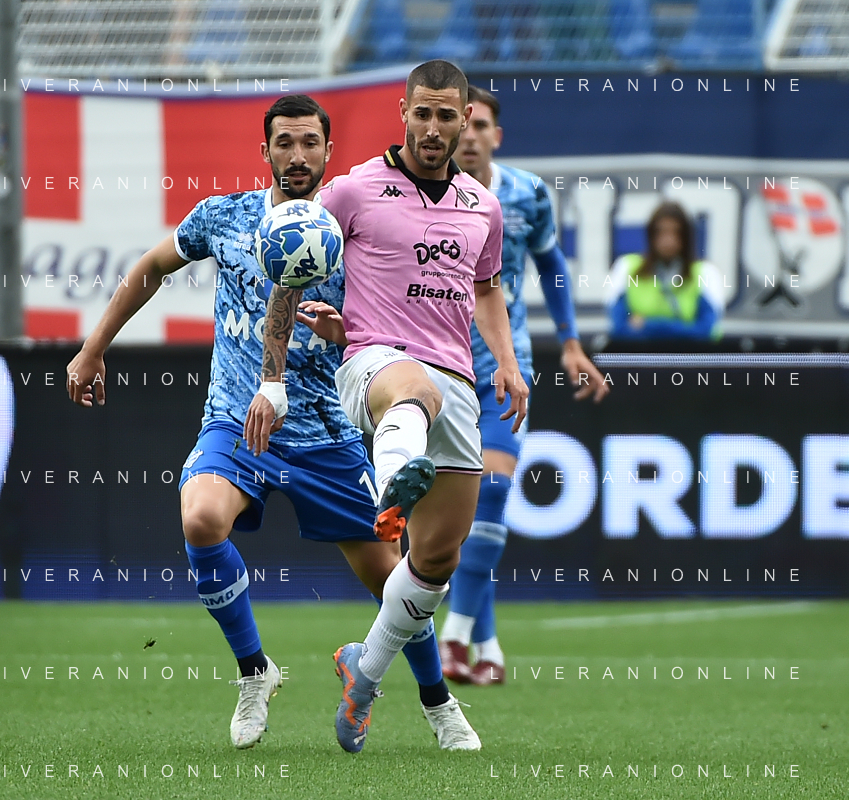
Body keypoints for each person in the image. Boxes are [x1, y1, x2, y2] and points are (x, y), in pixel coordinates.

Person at [65, 95, 459, 751]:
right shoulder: (224, 217)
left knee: (392, 578)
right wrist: (93, 348)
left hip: (325, 432)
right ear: (265, 151)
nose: (297, 156)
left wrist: (345, 333)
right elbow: (152, 267)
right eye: (285, 143)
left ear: (328, 152)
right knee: (200, 519)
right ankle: (254, 671)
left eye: (310, 143)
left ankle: (438, 702)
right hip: (236, 420)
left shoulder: (356, 233)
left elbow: (389, 332)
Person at [246, 60, 529, 753]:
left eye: (445, 115)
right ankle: (393, 479)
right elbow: (289, 274)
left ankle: (363, 673)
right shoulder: (353, 189)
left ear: (464, 120)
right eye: (421, 113)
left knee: (436, 560)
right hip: (373, 364)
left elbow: (487, 289)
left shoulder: (482, 207)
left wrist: (509, 363)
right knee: (413, 390)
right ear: (403, 113)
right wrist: (272, 379)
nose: (432, 128)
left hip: (457, 386)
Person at [437, 85, 610, 687]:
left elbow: (552, 264)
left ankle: (452, 637)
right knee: (453, 516)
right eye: (461, 124)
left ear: (497, 135)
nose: (469, 135)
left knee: (491, 493)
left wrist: (570, 341)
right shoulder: (421, 195)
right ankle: (485, 645)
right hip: (436, 367)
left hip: (505, 366)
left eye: (480, 125)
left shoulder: (526, 193)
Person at [607, 201, 724, 340]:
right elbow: (619, 329)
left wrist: (647, 325)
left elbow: (706, 331)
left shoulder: (705, 273)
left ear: (686, 237)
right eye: (661, 232)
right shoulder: (626, 267)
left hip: (688, 354)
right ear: (651, 235)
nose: (668, 241)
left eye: (676, 233)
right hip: (640, 354)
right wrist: (683, 328)